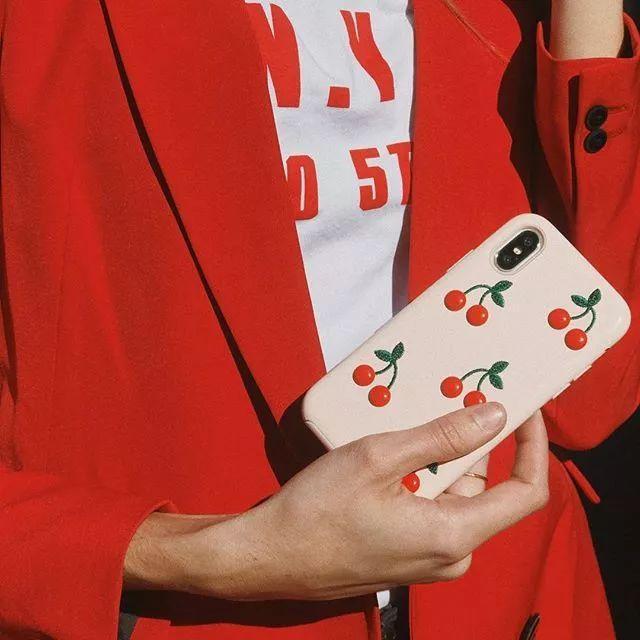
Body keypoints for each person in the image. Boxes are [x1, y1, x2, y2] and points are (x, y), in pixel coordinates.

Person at [0, 1, 638, 639]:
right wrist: (209, 556)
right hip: (189, 614)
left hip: (505, 596)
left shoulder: (510, 12)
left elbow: (590, 399)